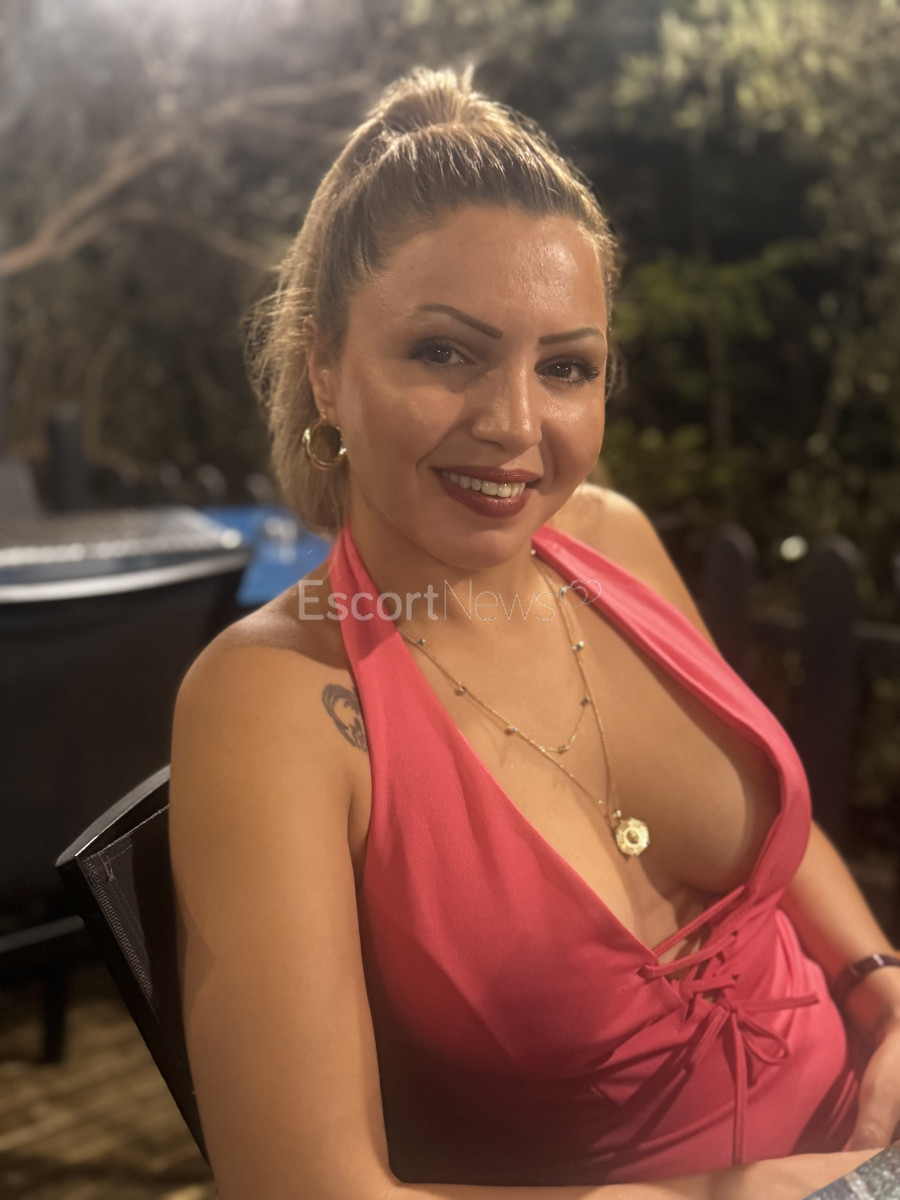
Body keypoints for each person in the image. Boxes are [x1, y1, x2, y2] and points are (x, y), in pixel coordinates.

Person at [169, 68, 900, 1200]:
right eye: (444, 352)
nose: (516, 424)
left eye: (566, 367)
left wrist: (879, 986)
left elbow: (778, 828)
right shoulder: (277, 698)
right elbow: (301, 1185)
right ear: (326, 368)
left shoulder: (613, 539)